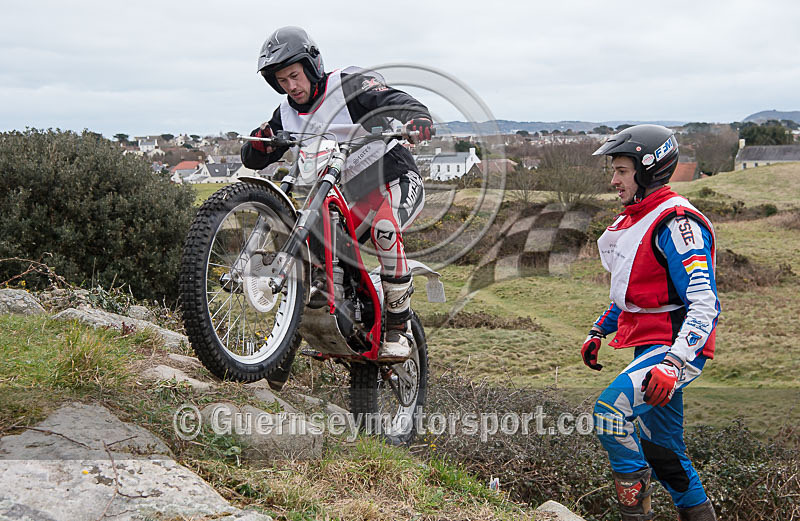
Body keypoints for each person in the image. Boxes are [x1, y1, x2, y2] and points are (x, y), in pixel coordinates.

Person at [241, 26, 433, 364]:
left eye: (295, 76)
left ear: (312, 66)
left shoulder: (348, 85)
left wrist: (415, 115)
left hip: (393, 177)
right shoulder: (286, 113)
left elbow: (390, 98)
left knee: (385, 229)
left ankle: (398, 328)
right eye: (283, 81)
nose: (292, 87)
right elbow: (257, 154)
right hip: (349, 196)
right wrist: (257, 144)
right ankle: (303, 338)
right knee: (314, 249)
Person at [582, 125, 720, 520]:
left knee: (611, 412)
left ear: (647, 171)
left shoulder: (677, 224)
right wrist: (599, 329)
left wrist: (674, 363)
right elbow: (634, 293)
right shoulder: (635, 221)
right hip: (651, 344)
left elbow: (704, 303)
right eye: (614, 171)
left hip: (677, 347)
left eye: (622, 171)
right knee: (664, 452)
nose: (613, 180)